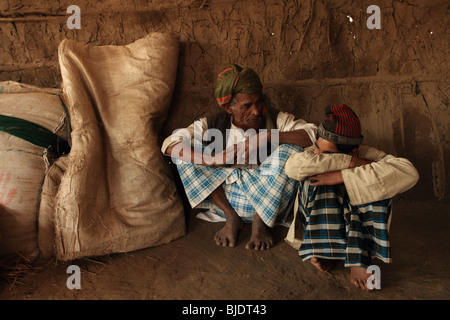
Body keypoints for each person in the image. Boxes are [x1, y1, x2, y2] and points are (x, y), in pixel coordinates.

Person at [161, 64, 317, 250]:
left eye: (259, 102)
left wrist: (268, 136)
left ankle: (260, 224)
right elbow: (169, 144)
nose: (257, 111)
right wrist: (212, 159)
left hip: (269, 201)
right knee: (186, 152)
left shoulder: (276, 118)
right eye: (247, 106)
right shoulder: (213, 124)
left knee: (292, 151)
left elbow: (314, 134)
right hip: (228, 199)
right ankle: (231, 218)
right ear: (229, 108)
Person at [285, 104, 419, 290]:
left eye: (328, 154)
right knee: (315, 179)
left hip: (355, 222)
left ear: (354, 151)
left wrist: (342, 175)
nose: (317, 155)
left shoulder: (366, 153)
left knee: (376, 181)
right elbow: (292, 168)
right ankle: (321, 248)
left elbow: (409, 173)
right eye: (317, 148)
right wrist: (349, 162)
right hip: (321, 220)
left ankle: (359, 259)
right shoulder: (315, 153)